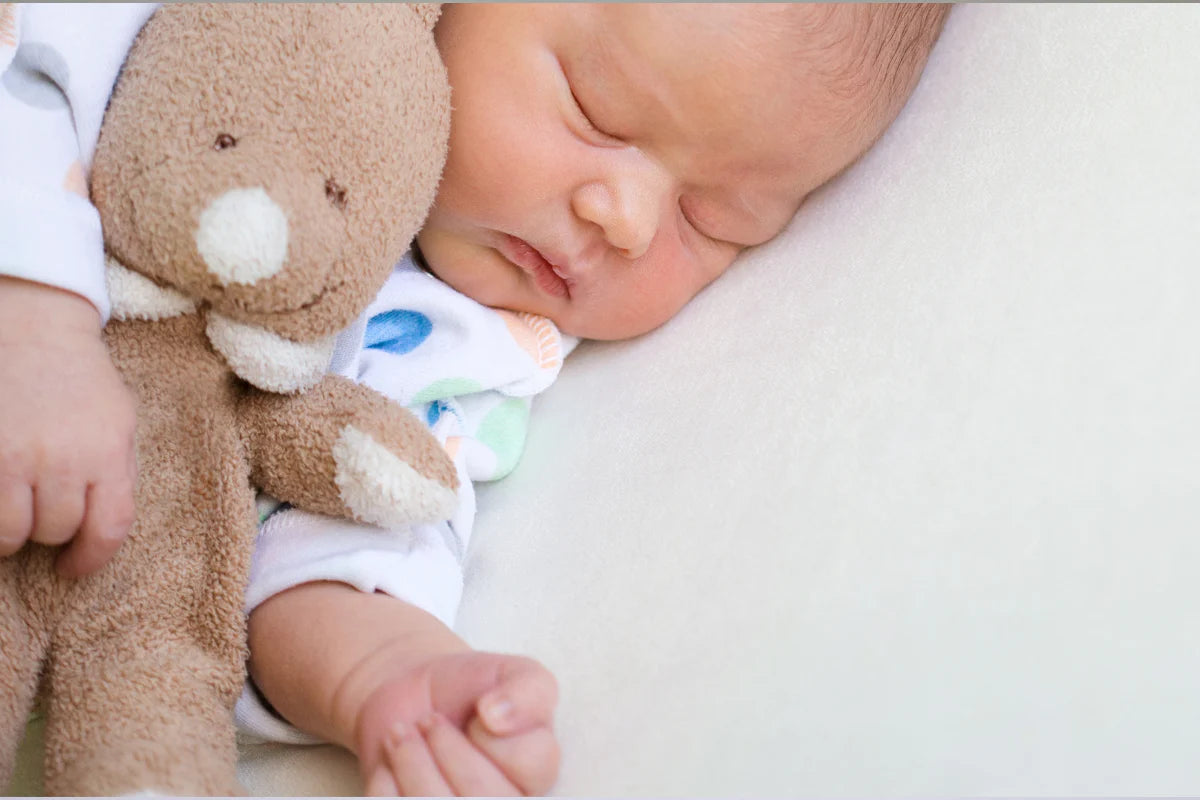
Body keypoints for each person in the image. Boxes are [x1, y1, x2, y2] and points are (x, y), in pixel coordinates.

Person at [0, 3, 950, 795]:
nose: (625, 218)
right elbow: (36, 57)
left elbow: (324, 540)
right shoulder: (285, 32)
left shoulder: (464, 341)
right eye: (598, 112)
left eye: (716, 220)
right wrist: (34, 319)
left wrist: (380, 670)